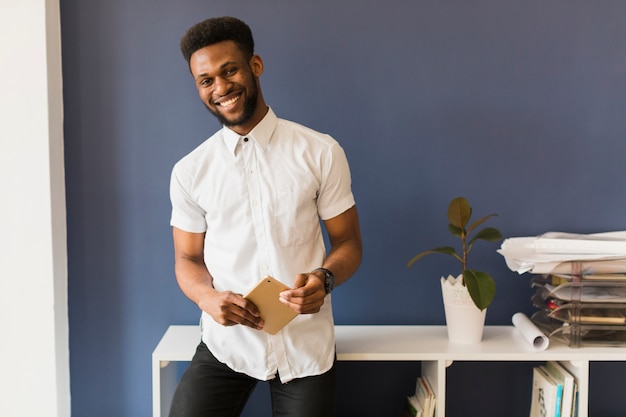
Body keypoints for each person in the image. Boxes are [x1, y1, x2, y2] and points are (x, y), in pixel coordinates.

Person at [168, 16, 363, 417]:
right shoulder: (190, 171)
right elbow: (187, 259)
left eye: (229, 70)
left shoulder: (321, 152)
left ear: (254, 66)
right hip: (227, 345)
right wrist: (208, 298)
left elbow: (348, 244)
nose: (220, 88)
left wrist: (324, 281)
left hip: (304, 343)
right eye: (206, 80)